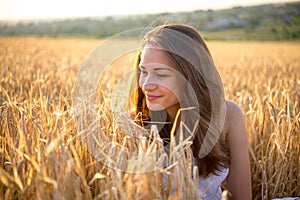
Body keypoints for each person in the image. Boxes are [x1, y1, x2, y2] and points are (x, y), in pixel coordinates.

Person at [129, 24, 252, 199]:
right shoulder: (135, 123)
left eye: (161, 74)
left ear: (191, 76)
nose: (146, 85)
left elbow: (241, 197)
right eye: (143, 71)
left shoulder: (228, 115)